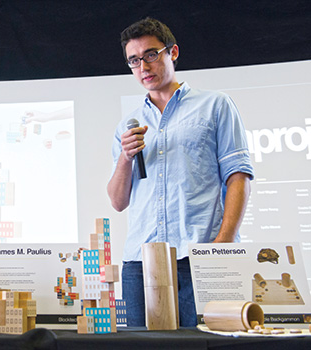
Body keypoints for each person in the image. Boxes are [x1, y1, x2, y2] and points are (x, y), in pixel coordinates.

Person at [107, 17, 254, 327]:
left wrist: (223, 244)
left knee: (204, 343)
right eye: (134, 60)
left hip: (198, 254)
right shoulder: (127, 125)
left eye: (150, 54)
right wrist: (125, 157)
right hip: (140, 260)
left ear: (172, 52)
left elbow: (237, 175)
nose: (143, 67)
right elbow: (118, 201)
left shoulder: (215, 105)